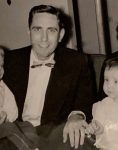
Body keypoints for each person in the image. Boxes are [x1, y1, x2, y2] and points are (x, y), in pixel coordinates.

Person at [3, 4, 97, 149]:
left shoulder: (77, 62)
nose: (44, 38)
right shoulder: (9, 61)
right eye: (37, 29)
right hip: (15, 132)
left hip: (55, 132)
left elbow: (85, 100)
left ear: (61, 34)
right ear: (29, 31)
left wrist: (76, 116)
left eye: (51, 30)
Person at [0, 47, 18, 123]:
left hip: (3, 125)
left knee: (27, 128)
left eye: (1, 65)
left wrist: (6, 116)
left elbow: (12, 108)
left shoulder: (3, 86)